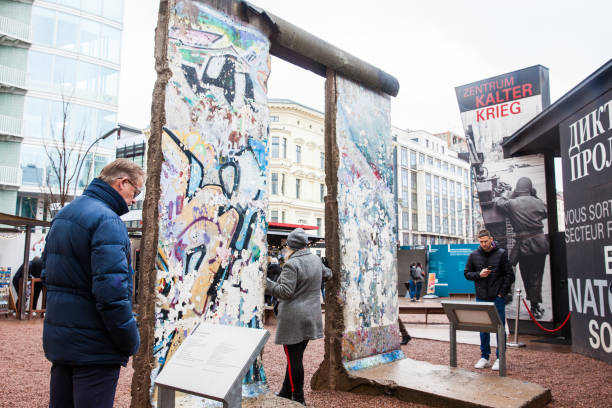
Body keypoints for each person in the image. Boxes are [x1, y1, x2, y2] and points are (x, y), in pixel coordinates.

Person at [41, 159, 144, 408]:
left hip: (61, 342)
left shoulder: (64, 215)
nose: (132, 201)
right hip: (95, 348)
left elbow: (46, 274)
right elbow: (112, 293)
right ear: (122, 182)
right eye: (135, 193)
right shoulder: (108, 221)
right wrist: (130, 339)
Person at [266, 228, 332, 405]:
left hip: (293, 319)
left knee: (294, 359)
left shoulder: (291, 264)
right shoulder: (316, 260)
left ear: (291, 245)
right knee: (295, 357)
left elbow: (284, 292)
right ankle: (286, 392)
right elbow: (328, 274)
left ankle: (298, 398)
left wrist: (266, 283)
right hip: (311, 316)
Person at [495, 177, 549, 319]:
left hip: (523, 244)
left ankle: (506, 293)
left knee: (524, 274)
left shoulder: (512, 203)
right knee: (537, 275)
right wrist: (534, 195)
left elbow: (499, 203)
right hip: (539, 242)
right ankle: (535, 306)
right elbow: (546, 211)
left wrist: (509, 194)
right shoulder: (537, 202)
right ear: (530, 189)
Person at [464, 229, 514, 371]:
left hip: (497, 298)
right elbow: (466, 273)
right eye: (481, 242)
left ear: (491, 239)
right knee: (483, 328)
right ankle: (484, 357)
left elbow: (510, 275)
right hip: (481, 297)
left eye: (486, 241)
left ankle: (500, 357)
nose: (484, 244)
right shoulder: (474, 255)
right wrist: (479, 275)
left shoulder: (501, 254)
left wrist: (501, 293)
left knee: (499, 327)